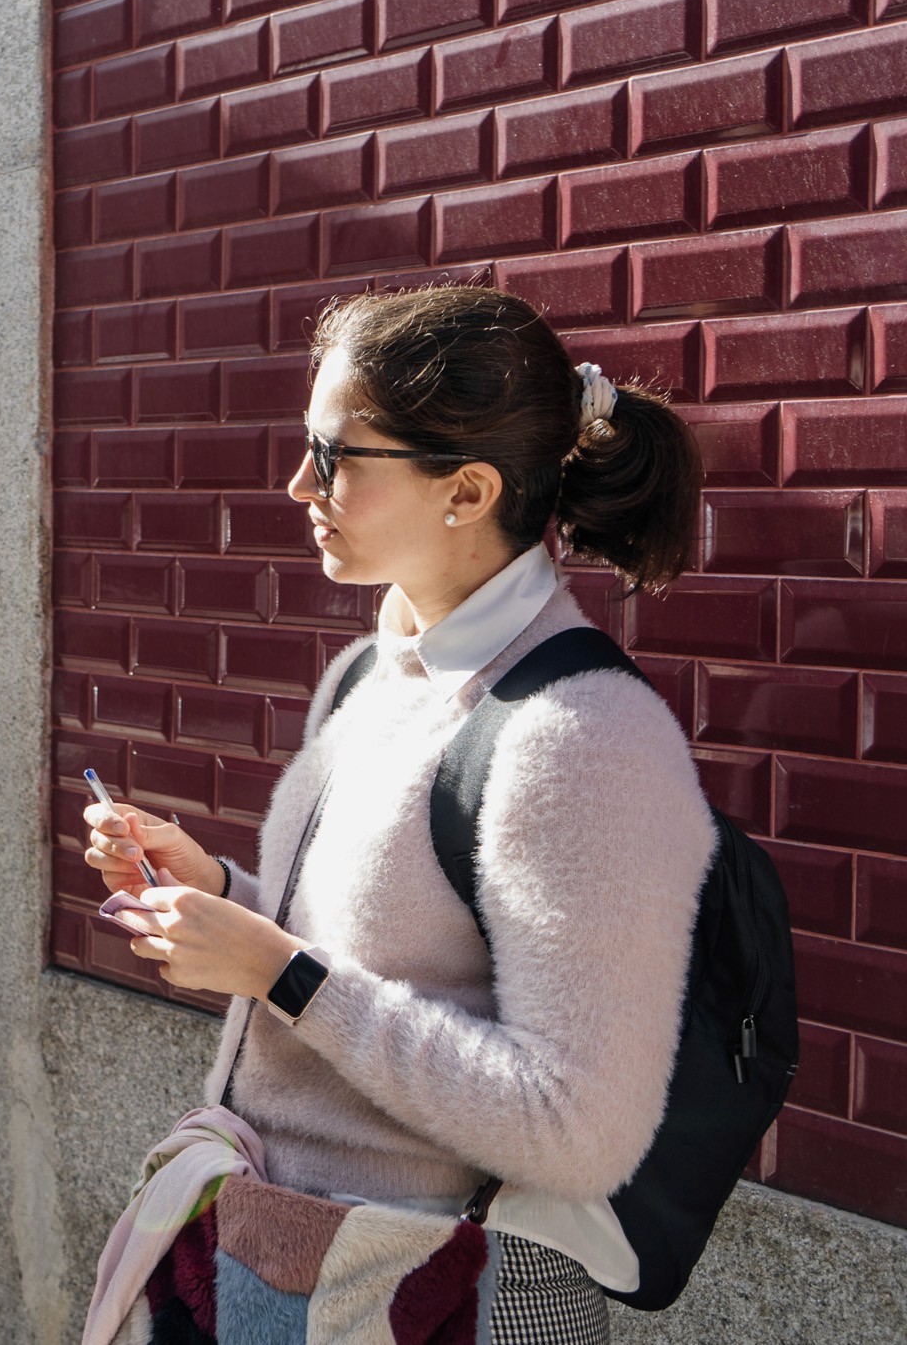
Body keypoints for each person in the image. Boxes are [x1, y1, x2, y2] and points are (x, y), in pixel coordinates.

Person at [83, 284, 714, 1343]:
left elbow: (574, 1132)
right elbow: (385, 958)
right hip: (267, 1257)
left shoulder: (581, 734)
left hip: (428, 1292)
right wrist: (217, 896)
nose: (296, 485)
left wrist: (274, 971)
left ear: (463, 490)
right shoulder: (370, 678)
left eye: (333, 457)